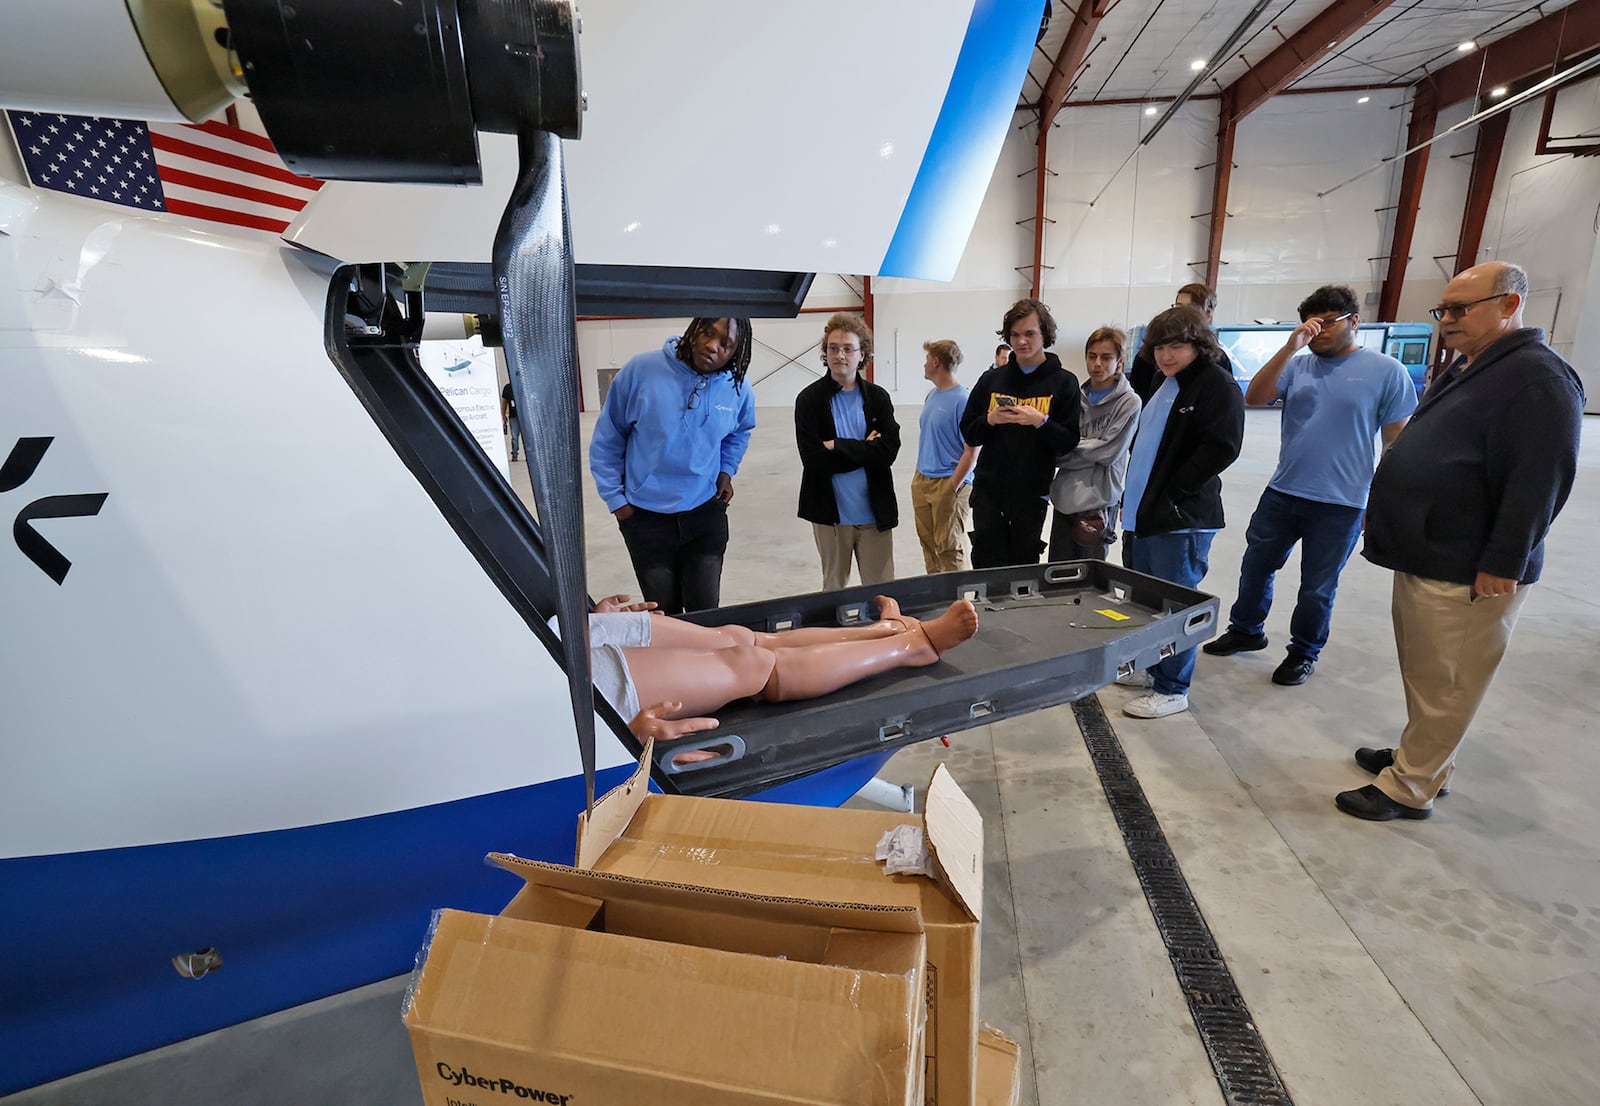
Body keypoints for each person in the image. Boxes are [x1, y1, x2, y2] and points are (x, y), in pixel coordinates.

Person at [1336, 261, 1584, 821]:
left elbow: (1539, 480)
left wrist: (1505, 560)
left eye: (1459, 309)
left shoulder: (1538, 379)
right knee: (1428, 671)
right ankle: (1422, 756)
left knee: (1450, 680)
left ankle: (1411, 786)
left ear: (1509, 305)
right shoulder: (1473, 366)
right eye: (1442, 310)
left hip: (1473, 566)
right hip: (1432, 550)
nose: (1446, 320)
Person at [1203, 285, 1417, 686]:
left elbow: (1395, 443)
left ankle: (1303, 652)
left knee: (1317, 587)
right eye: (1312, 324)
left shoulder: (1387, 371)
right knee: (1256, 566)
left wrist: (1382, 501)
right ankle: (1246, 630)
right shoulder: (1298, 366)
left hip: (1342, 502)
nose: (1319, 332)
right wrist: (1289, 348)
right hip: (1284, 491)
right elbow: (1256, 396)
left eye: (1329, 323)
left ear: (1354, 321)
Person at [581, 594, 980, 761]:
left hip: (576, 636)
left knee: (738, 638)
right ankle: (913, 647)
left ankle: (889, 631)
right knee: (750, 664)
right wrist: (619, 740)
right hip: (590, 684)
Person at [1115, 306, 1245, 719]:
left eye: (1177, 346)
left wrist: (1175, 492)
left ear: (1198, 344)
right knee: (1147, 599)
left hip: (1178, 519)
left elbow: (1221, 447)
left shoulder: (1215, 385)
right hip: (1143, 513)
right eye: (1160, 347)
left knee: (1175, 603)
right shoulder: (1161, 380)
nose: (1167, 355)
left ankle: (1173, 687)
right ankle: (1153, 669)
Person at [589, 318, 757, 614]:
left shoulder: (737, 388)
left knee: (705, 615)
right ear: (695, 329)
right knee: (664, 615)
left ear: (736, 352)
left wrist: (726, 469)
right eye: (707, 333)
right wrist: (617, 501)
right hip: (645, 518)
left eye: (725, 344)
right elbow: (608, 437)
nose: (711, 346)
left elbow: (739, 431)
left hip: (704, 513)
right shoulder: (641, 371)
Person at [960, 298, 1081, 568]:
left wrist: (1041, 421)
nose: (1021, 342)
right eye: (1014, 335)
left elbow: (1069, 441)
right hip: (989, 493)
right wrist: (990, 420)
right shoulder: (991, 380)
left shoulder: (1064, 383)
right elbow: (969, 433)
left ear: (1045, 335)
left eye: (1029, 334)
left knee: (1023, 572)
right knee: (985, 566)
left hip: (1031, 495)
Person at [795, 313, 901, 589]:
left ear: (862, 353)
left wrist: (838, 446)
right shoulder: (809, 400)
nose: (839, 355)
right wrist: (866, 448)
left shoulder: (878, 398)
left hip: (873, 514)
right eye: (833, 348)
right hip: (831, 515)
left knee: (882, 593)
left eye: (847, 349)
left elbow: (888, 451)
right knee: (833, 592)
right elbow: (814, 459)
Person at [1048, 326, 1141, 561]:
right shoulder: (1074, 397)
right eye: (1092, 356)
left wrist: (1071, 446)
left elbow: (1109, 451)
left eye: (1106, 357)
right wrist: (1088, 447)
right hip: (1064, 501)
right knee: (1056, 580)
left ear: (1119, 360)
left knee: (1090, 584)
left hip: (1097, 505)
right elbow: (1056, 451)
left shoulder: (1128, 402)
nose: (1097, 363)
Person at [912, 339, 978, 573]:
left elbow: (973, 450)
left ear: (936, 362)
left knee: (949, 548)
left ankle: (957, 604)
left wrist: (952, 487)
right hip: (923, 480)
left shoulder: (963, 399)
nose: (924, 365)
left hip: (949, 482)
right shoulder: (932, 395)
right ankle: (938, 601)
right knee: (929, 545)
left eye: (927, 360)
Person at [1128, 283, 1232, 399]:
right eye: (1179, 306)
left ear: (1208, 315)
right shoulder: (1147, 358)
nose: (1166, 357)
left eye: (1176, 346)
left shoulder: (1219, 366)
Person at [500, 381, 520, 462]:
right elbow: (504, 402)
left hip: (525, 416)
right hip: (513, 416)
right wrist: (503, 414)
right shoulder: (508, 388)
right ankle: (514, 454)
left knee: (529, 436)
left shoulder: (525, 386)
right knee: (514, 437)